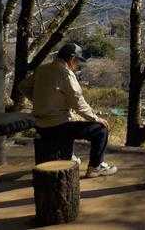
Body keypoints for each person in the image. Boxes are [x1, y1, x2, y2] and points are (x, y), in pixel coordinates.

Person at [19, 42, 118, 178]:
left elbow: (23, 86)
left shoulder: (42, 69)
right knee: (100, 130)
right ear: (72, 59)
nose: (77, 65)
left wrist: (38, 100)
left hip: (40, 125)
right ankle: (96, 167)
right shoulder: (66, 74)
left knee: (69, 121)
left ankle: (68, 156)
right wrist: (96, 118)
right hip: (57, 127)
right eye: (77, 61)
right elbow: (79, 104)